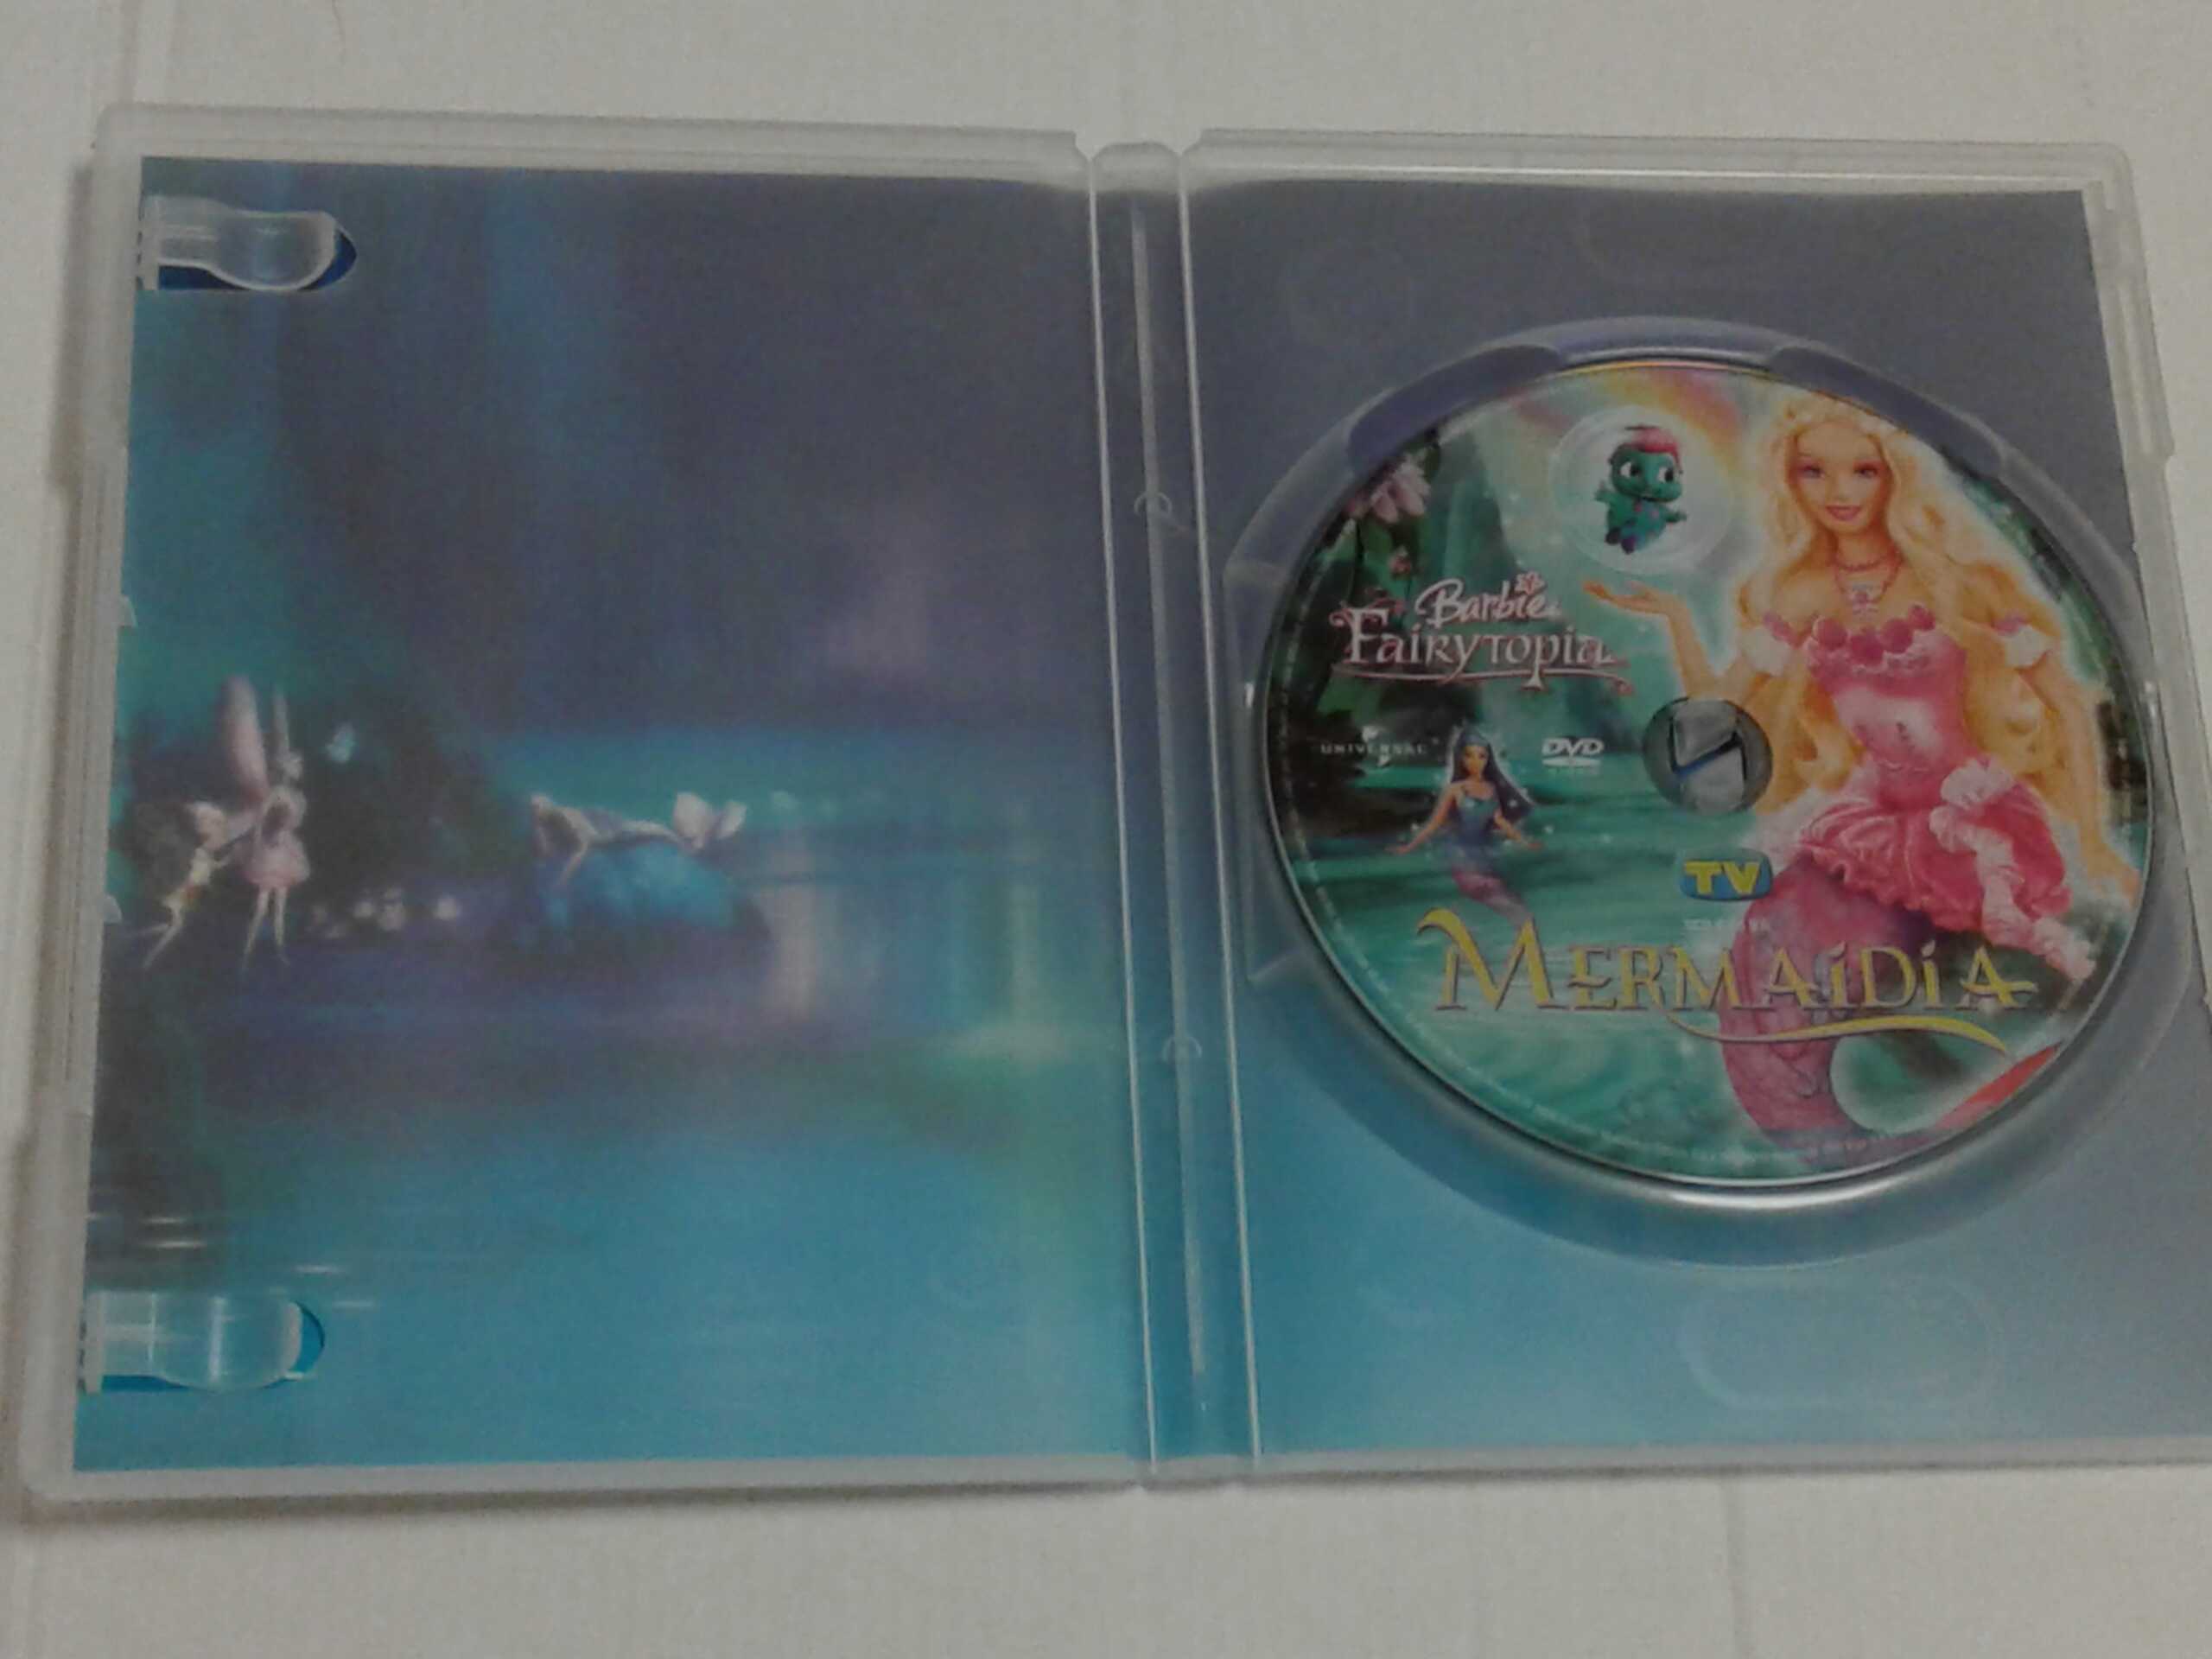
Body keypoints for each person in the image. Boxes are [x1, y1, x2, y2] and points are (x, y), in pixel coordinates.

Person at [1586, 391, 2138, 1146]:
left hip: (1966, 816)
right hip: (1870, 823)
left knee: (1999, 969)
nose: (1838, 492)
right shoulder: (1801, 594)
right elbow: (1718, 704)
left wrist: (2094, 834)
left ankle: (1961, 1092)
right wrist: (1676, 619)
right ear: (1790, 481)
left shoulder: (1963, 583)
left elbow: (2065, 702)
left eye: (1863, 471)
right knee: (1772, 967)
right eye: (1813, 471)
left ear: (1895, 478)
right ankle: (1841, 1132)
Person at [1392, 727, 1540, 925]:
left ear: (1488, 759)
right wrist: (1409, 847)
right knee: (1493, 895)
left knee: (1512, 899)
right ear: (1461, 758)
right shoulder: (1455, 790)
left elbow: (1499, 820)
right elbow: (1435, 823)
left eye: (1481, 756)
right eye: (1469, 755)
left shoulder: (1491, 788)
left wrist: (1525, 842)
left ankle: (1516, 935)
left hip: (1486, 851)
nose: (1475, 762)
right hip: (1461, 853)